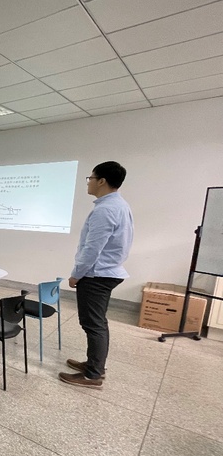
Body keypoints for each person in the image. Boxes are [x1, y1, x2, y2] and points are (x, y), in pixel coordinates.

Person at [59, 161, 133, 388]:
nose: (88, 182)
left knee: (93, 324)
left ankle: (93, 375)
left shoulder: (106, 209)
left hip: (97, 274)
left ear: (102, 181)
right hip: (107, 271)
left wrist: (76, 274)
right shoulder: (119, 205)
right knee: (97, 322)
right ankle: (94, 365)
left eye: (90, 178)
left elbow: (93, 248)